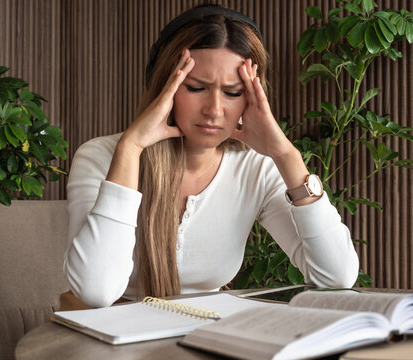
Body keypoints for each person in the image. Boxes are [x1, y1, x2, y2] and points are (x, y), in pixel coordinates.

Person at [63, 5, 359, 308]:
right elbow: (95, 291)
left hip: (207, 338)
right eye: (196, 87)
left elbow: (336, 277)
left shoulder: (255, 169)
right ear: (165, 85)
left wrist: (286, 154)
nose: (214, 110)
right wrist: (131, 148)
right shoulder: (100, 158)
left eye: (232, 92)